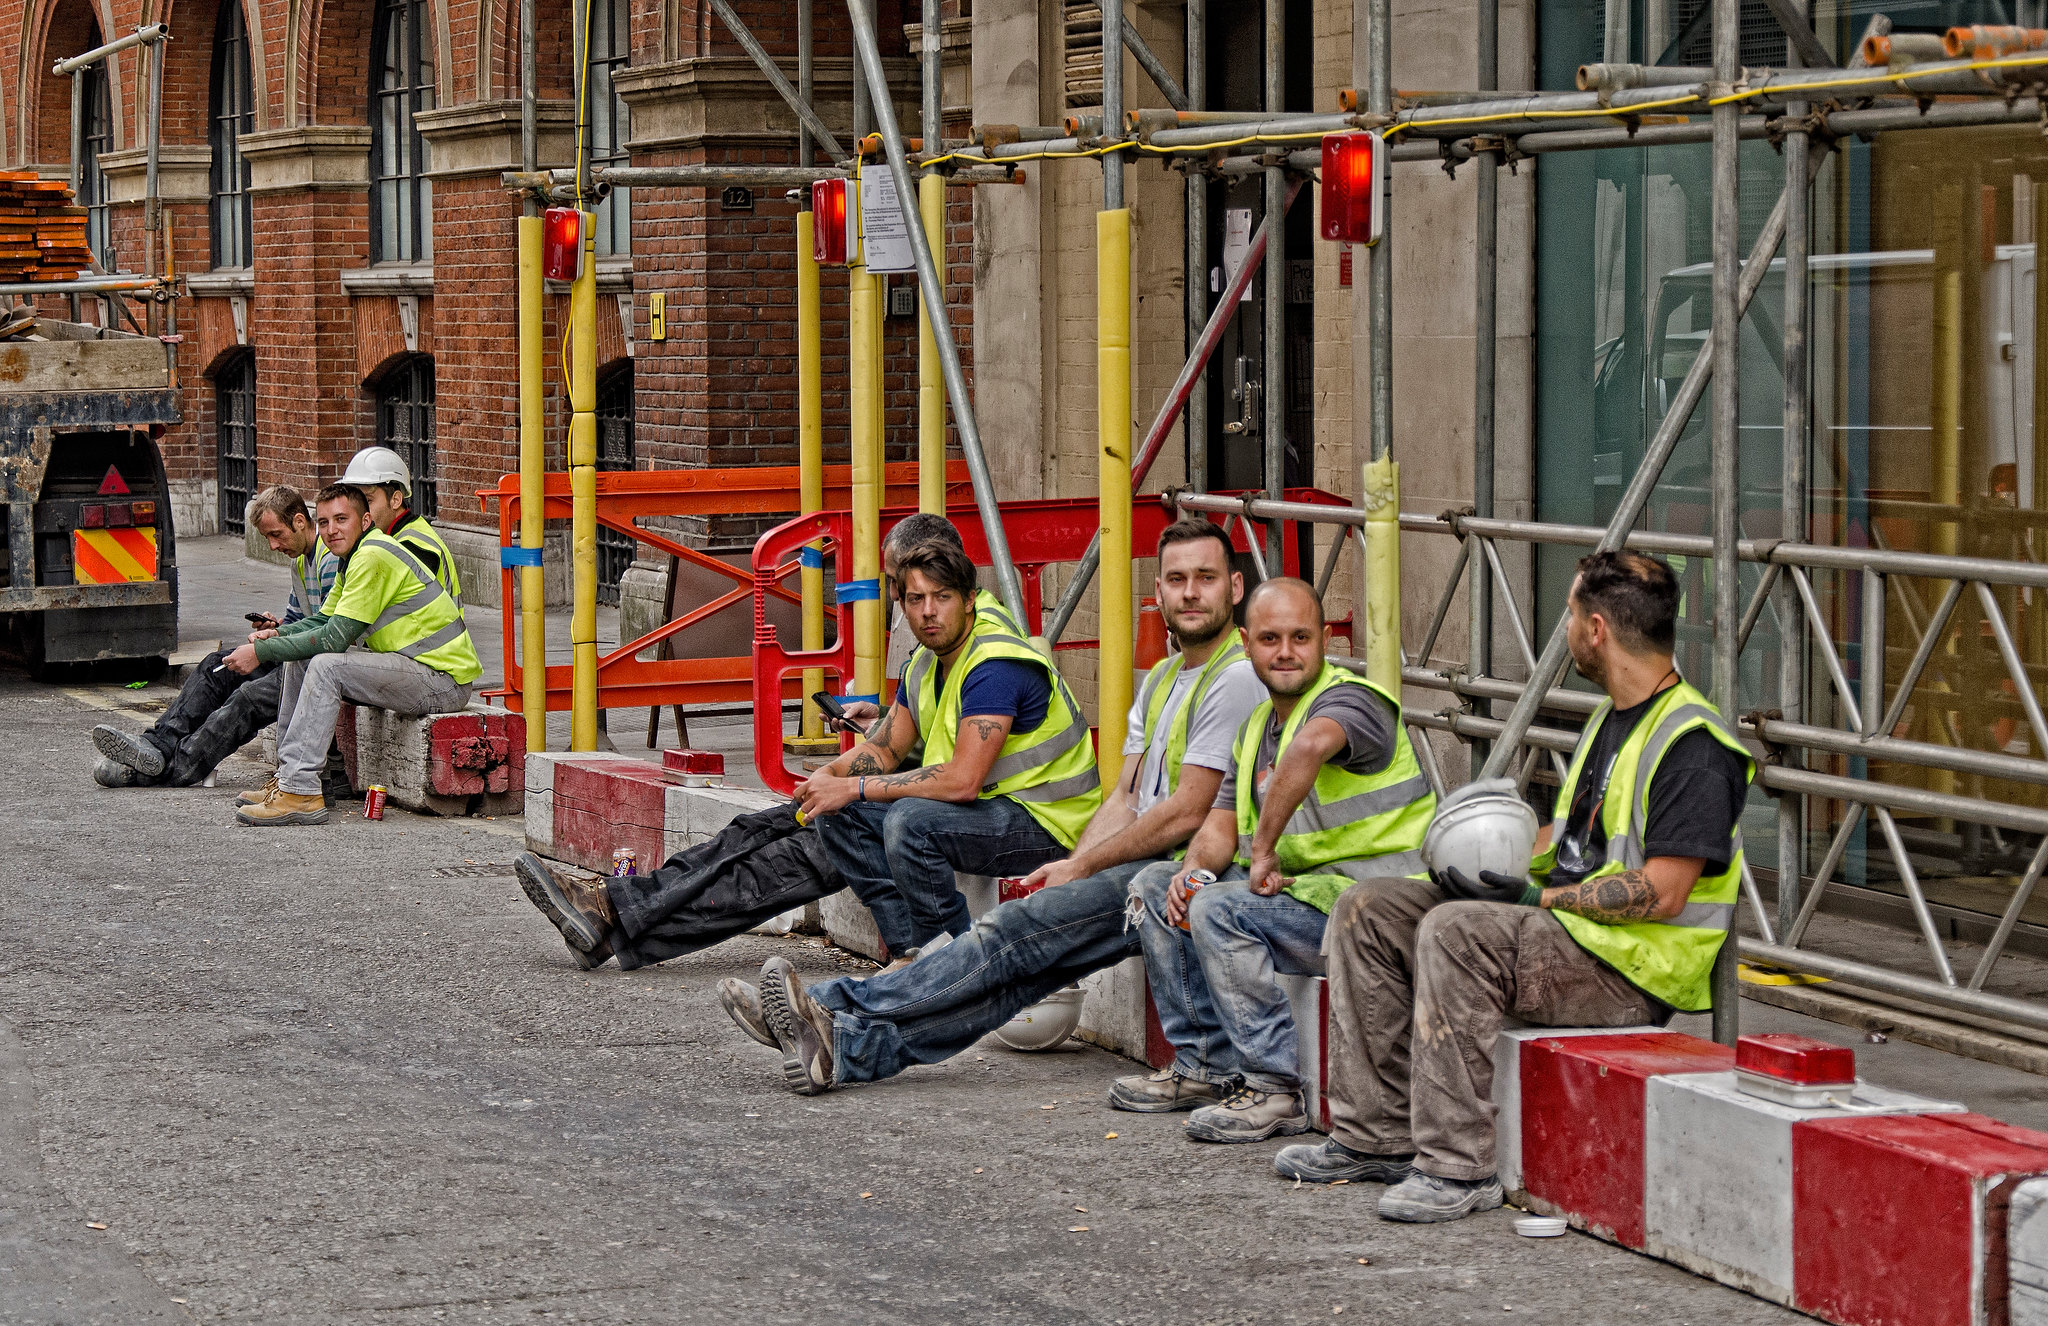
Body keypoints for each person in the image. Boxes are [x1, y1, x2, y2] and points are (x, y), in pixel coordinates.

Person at [1273, 549, 1753, 1224]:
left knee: (1456, 929)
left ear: (1596, 631)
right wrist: (1471, 861)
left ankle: (1456, 1168)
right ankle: (1374, 1137)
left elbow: (1664, 892)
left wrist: (1531, 899)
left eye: (1569, 616)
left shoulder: (1694, 744)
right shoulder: (1612, 720)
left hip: (1630, 969)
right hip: (1570, 937)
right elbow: (1572, 841)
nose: (1564, 631)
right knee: (1370, 908)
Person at [714, 517, 1267, 1095]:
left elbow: (1185, 814)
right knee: (1008, 986)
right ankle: (842, 1048)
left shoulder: (1232, 679)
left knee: (1003, 938)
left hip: (1183, 873)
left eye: (1205, 578)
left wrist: (1080, 866)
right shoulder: (1162, 681)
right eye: (1177, 579)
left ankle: (829, 1006)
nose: (1190, 592)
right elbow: (1126, 796)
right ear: (1158, 593)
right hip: (1140, 865)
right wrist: (1078, 865)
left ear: (1234, 588)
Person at [1124, 577, 1437, 1144]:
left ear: (1324, 640)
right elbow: (1219, 825)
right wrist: (1192, 873)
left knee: (1220, 908)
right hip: (1306, 899)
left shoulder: (1352, 700)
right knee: (1156, 884)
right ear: (1246, 644)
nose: (1287, 652)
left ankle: (1273, 1090)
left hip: (1382, 911)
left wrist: (1261, 852)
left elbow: (1312, 746)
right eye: (1270, 639)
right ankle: (1205, 1068)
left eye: (1301, 637)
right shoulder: (1254, 731)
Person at [796, 540, 1102, 960]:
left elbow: (962, 783)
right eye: (916, 599)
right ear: (901, 604)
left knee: (910, 822)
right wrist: (828, 778)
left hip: (1051, 822)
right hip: (995, 809)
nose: (928, 611)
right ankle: (915, 957)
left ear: (969, 601)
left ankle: (954, 966)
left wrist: (854, 787)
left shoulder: (994, 665)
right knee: (839, 813)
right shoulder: (924, 663)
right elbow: (886, 748)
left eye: (942, 597)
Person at [222, 483, 482, 826]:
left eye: (342, 519)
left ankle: (301, 791)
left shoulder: (373, 555)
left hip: (442, 679)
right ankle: (290, 780)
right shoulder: (354, 558)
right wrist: (276, 634)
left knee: (327, 665)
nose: (331, 530)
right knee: (300, 657)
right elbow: (322, 620)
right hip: (414, 668)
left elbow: (335, 638)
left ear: (366, 521)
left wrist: (261, 651)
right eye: (326, 522)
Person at [90, 485, 339, 790]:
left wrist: (266, 649)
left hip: (316, 664)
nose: (273, 546)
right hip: (297, 653)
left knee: (248, 698)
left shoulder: (330, 560)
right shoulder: (300, 560)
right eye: (268, 538)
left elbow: (328, 632)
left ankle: (166, 771)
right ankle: (156, 745)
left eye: (277, 535)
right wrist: (275, 626)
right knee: (215, 665)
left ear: (300, 521)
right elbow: (301, 621)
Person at [834, 511, 1022, 738]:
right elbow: (941, 724)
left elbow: (956, 749)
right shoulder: (962, 626)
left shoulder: (989, 651)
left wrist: (882, 731)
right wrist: (883, 717)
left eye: (896, 580)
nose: (894, 594)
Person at [340, 445, 461, 599]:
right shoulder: (385, 536)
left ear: (396, 500)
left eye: (368, 501)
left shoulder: (413, 545)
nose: (360, 512)